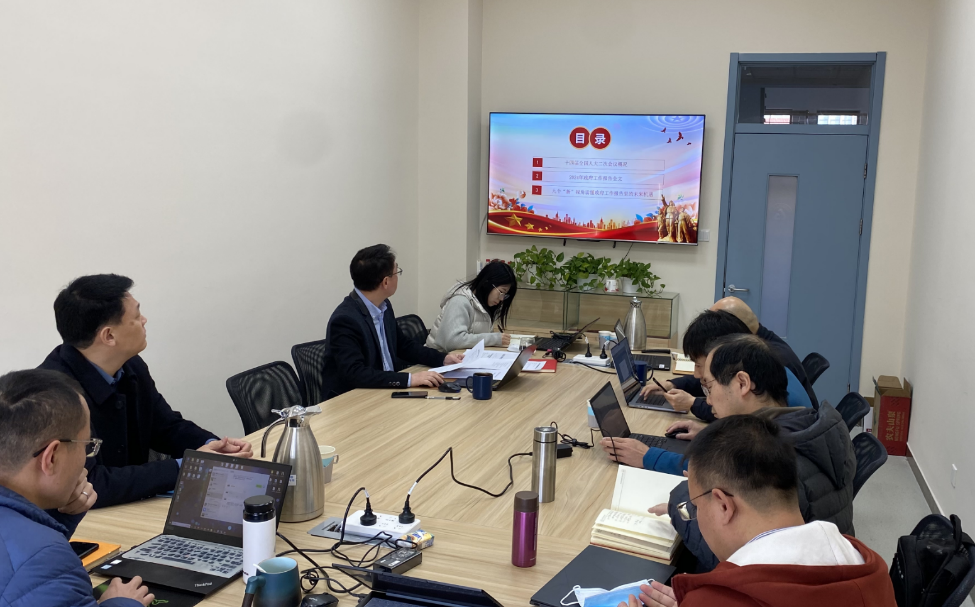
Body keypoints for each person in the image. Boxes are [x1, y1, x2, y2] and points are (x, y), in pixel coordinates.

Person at [604, 335, 855, 571]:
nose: (708, 400)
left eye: (709, 387)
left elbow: (728, 558)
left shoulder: (774, 458)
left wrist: (685, 500)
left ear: (742, 383)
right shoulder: (806, 428)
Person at [617, 415, 895, 607]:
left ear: (723, 505)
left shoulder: (724, 598)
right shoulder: (866, 564)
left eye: (695, 506)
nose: (696, 517)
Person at [38, 274, 253, 510]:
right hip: (91, 519)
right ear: (109, 336)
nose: (144, 320)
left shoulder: (130, 365)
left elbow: (166, 426)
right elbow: (91, 483)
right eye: (136, 316)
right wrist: (188, 466)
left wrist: (213, 446)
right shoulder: (53, 396)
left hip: (132, 506)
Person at [0, 369, 156, 606]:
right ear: (52, 457)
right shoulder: (46, 559)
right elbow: (30, 567)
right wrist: (122, 602)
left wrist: (56, 519)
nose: (86, 458)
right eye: (86, 445)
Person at [321, 244, 464, 399]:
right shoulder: (345, 320)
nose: (398, 276)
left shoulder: (383, 305)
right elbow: (355, 373)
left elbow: (403, 345)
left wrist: (442, 359)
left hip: (384, 392)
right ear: (386, 282)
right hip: (354, 400)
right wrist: (410, 379)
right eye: (397, 272)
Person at [639, 309, 814, 421]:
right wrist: (674, 383)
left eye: (699, 365)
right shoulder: (763, 367)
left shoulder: (768, 422)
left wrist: (692, 404)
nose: (697, 374)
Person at [426, 261, 518, 352]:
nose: (502, 299)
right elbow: (453, 341)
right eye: (501, 292)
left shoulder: (483, 306)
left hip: (461, 357)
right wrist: (493, 338)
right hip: (438, 358)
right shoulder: (459, 301)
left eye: (505, 295)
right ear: (487, 282)